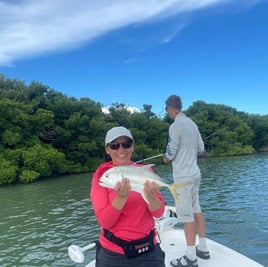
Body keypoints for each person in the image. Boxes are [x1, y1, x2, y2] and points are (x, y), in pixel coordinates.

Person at [90, 126, 166, 267]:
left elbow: (159, 213)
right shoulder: (101, 178)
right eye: (114, 145)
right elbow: (105, 222)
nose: (121, 150)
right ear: (107, 149)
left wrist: (151, 197)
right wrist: (121, 198)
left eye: (126, 144)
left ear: (132, 147)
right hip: (113, 253)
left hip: (148, 249)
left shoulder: (145, 172)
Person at [163, 95, 210, 267]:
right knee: (196, 208)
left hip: (183, 177)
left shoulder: (175, 126)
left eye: (166, 108)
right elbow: (201, 148)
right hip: (195, 174)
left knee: (186, 215)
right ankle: (203, 249)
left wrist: (166, 159)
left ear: (170, 107)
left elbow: (170, 152)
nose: (167, 111)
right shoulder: (192, 124)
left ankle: (191, 257)